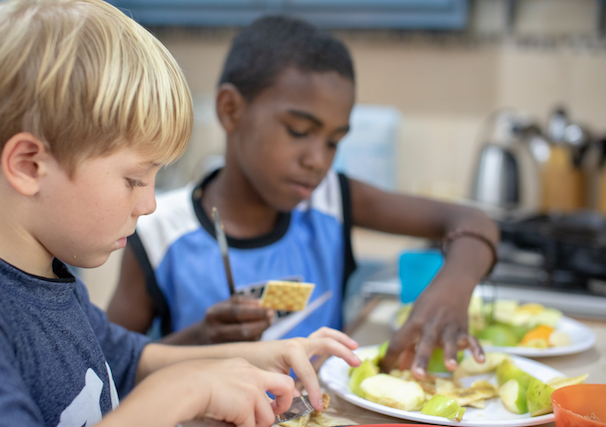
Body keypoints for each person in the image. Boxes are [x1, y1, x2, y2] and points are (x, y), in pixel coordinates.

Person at [0, 1, 362, 426]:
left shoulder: (45, 277)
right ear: (29, 165)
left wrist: (262, 355)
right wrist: (187, 389)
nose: (149, 204)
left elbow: (128, 358)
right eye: (134, 179)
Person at [107, 15, 499, 378]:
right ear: (231, 110)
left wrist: (451, 289)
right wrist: (201, 339)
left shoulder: (331, 199)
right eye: (298, 131)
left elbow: (475, 222)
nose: (318, 160)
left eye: (333, 142)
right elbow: (109, 370)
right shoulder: (158, 230)